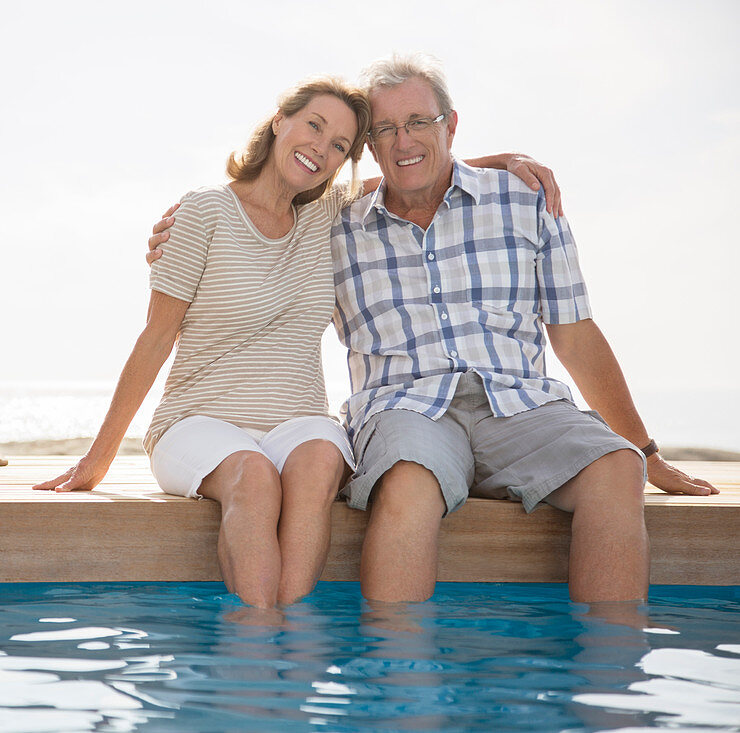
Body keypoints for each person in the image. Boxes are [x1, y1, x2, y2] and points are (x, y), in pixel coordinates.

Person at [148, 54, 717, 607]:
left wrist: (647, 453)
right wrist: (182, 231)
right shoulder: (336, 220)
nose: (404, 141)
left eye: (419, 122)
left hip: (521, 407)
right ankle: (402, 690)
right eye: (387, 129)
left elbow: (576, 333)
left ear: (452, 125)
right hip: (403, 407)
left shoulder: (526, 200)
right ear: (369, 147)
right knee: (407, 482)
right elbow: (259, 221)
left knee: (618, 469)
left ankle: (607, 686)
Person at [40, 75, 557, 610]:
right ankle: (259, 639)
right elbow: (154, 339)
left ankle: (291, 637)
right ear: (280, 121)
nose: (320, 148)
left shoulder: (328, 215)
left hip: (297, 418)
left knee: (318, 464)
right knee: (255, 477)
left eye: (339, 145)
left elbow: (416, 171)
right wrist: (97, 459)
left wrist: (501, 160)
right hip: (198, 420)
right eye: (314, 125)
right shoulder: (203, 212)